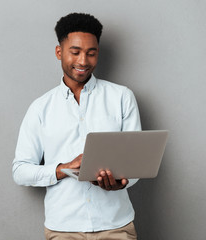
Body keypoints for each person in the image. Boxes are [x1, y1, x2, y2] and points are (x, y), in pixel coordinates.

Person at [12, 13, 141, 240]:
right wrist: (64, 169)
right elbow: (20, 171)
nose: (83, 61)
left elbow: (136, 163)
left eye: (91, 53)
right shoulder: (40, 108)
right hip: (63, 228)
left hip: (116, 225)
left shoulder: (122, 97)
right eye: (75, 52)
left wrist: (121, 183)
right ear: (59, 52)